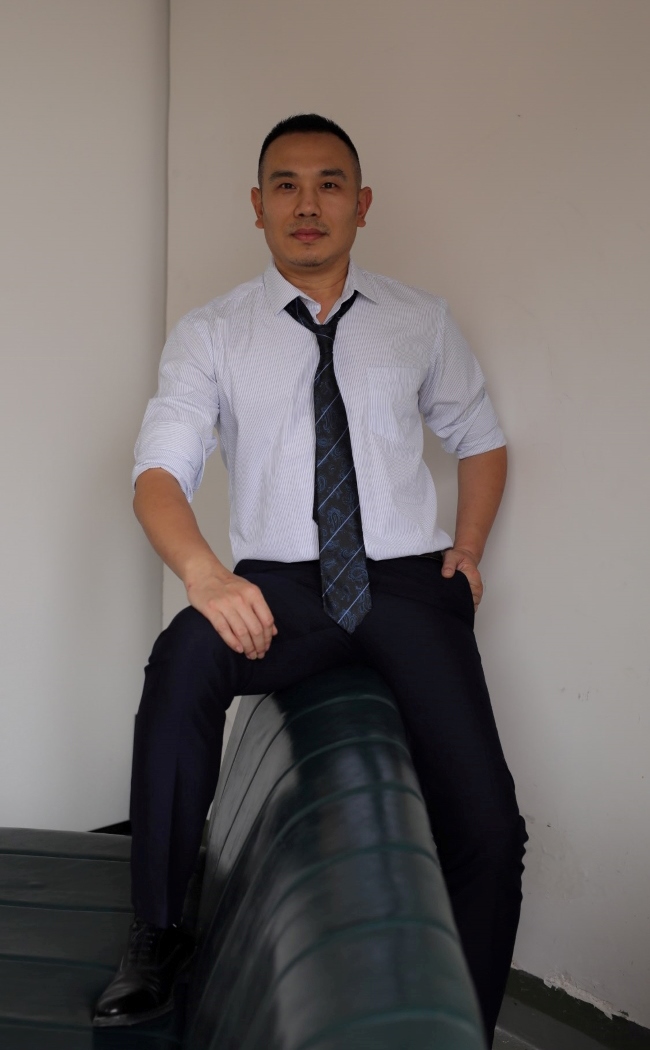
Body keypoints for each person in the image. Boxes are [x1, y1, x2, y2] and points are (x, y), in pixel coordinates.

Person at [93, 113, 527, 1043]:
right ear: (256, 207)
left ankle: (472, 1027)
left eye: (329, 184)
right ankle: (159, 930)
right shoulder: (212, 333)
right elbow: (158, 475)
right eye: (285, 185)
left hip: (406, 587)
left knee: (491, 829)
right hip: (280, 590)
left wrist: (469, 545)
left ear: (362, 205)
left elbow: (482, 439)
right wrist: (207, 577)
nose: (307, 204)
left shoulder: (419, 320)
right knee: (182, 657)